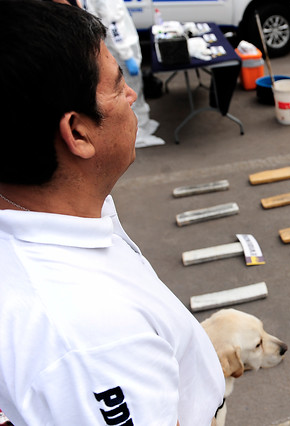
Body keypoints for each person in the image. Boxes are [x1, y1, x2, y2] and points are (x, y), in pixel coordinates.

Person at [0, 1, 225, 425]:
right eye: (117, 84)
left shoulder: (62, 201)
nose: (131, 95)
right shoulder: (92, 341)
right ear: (78, 133)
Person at [85, 0, 166, 148]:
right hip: (121, 54)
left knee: (136, 91)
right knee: (129, 95)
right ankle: (137, 134)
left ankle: (143, 124)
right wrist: (127, 55)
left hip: (123, 52)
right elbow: (114, 25)